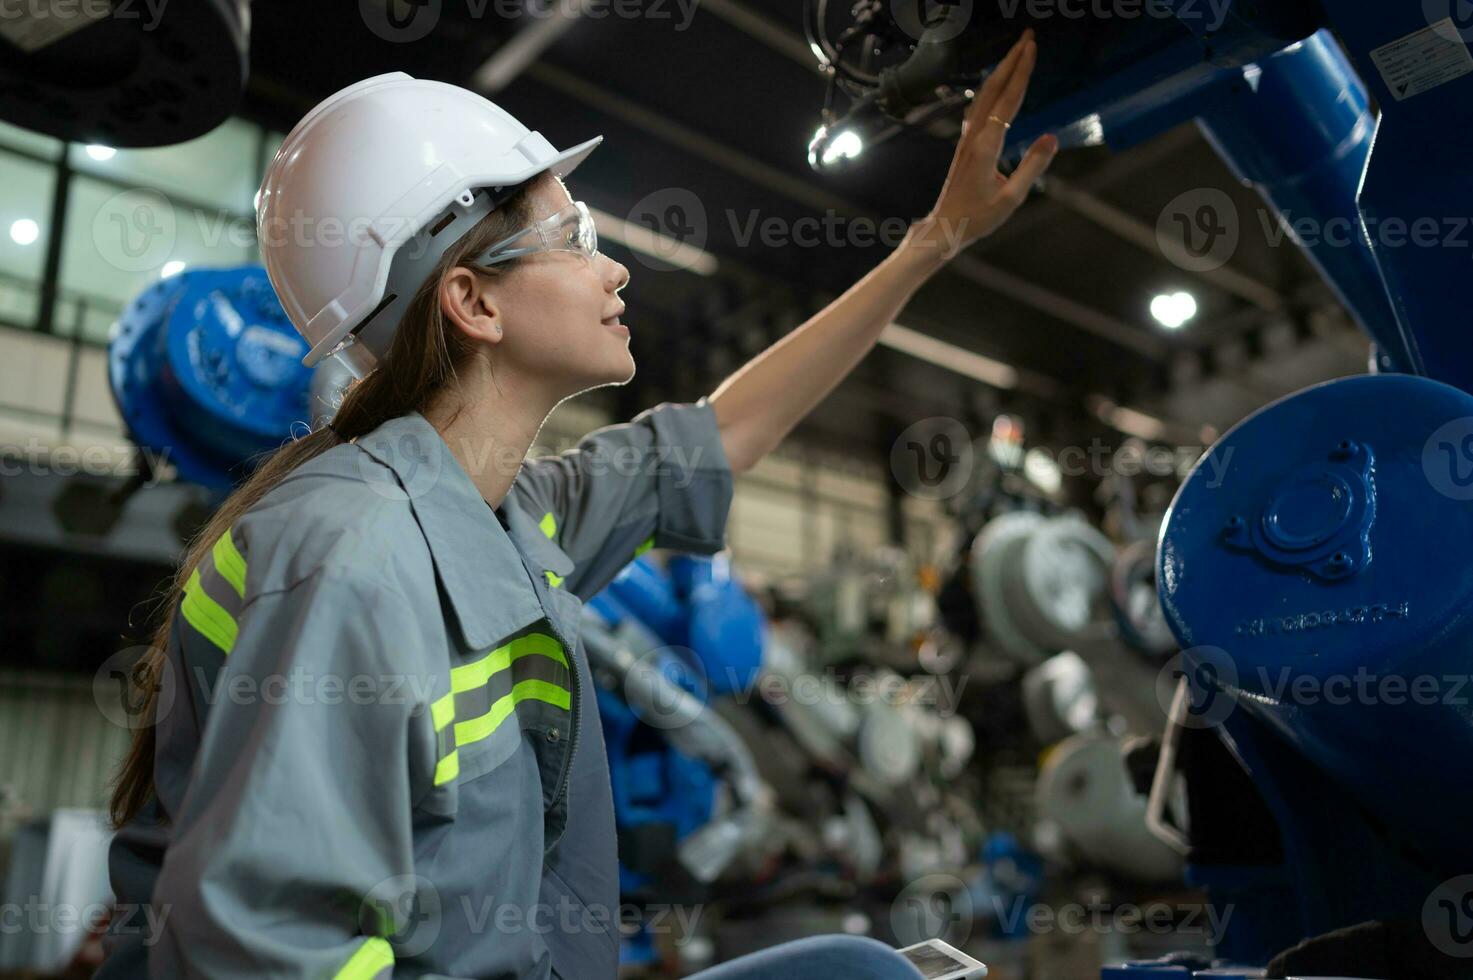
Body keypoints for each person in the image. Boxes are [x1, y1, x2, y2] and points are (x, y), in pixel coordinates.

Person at [98, 30, 1053, 980]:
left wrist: (936, 238)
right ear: (473, 303)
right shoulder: (349, 554)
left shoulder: (505, 518)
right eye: (573, 239)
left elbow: (720, 435)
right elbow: (268, 955)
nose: (615, 269)